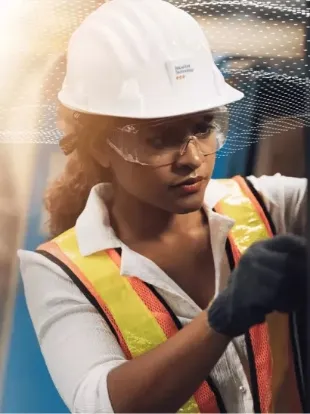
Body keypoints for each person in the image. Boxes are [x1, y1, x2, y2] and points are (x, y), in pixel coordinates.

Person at [18, 0, 307, 412]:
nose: (191, 157)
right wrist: (221, 317)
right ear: (102, 146)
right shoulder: (59, 271)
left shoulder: (272, 205)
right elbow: (101, 403)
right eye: (161, 137)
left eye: (203, 127)